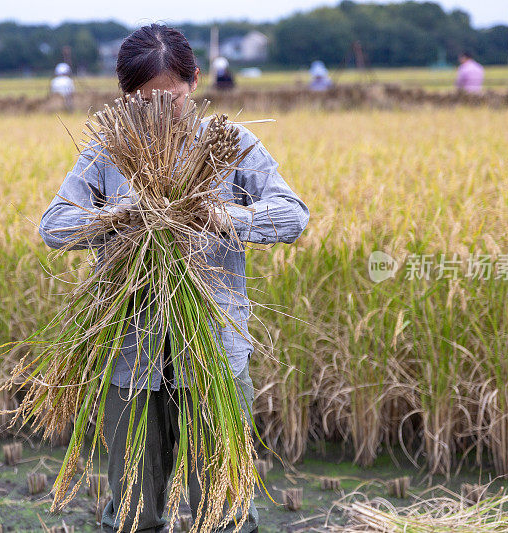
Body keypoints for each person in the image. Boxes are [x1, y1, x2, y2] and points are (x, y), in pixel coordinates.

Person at [39, 23, 309, 533]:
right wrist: (119, 215)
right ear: (124, 98)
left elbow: (293, 215)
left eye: (173, 98)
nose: (161, 113)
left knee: (226, 514)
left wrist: (224, 217)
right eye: (144, 103)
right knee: (134, 514)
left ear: (195, 83)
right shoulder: (107, 153)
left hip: (212, 350)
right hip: (132, 356)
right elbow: (53, 228)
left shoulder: (229, 145)